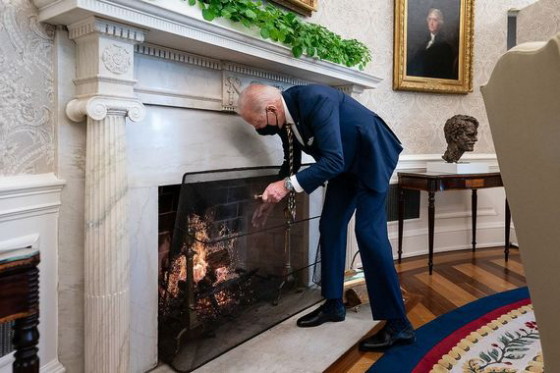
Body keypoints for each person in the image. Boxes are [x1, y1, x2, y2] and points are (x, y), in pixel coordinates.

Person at [236, 83, 415, 351]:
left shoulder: (314, 99)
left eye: (257, 123)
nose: (258, 129)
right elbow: (291, 163)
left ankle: (399, 325)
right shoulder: (285, 118)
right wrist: (271, 197)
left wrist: (285, 186)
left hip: (371, 155)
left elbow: (332, 160)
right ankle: (334, 304)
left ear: (271, 109)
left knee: (368, 233)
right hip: (344, 163)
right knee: (330, 225)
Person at [407, 8, 457, 79]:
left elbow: (445, 73)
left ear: (440, 23)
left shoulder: (445, 46)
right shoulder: (423, 43)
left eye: (435, 20)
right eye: (429, 19)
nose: (431, 23)